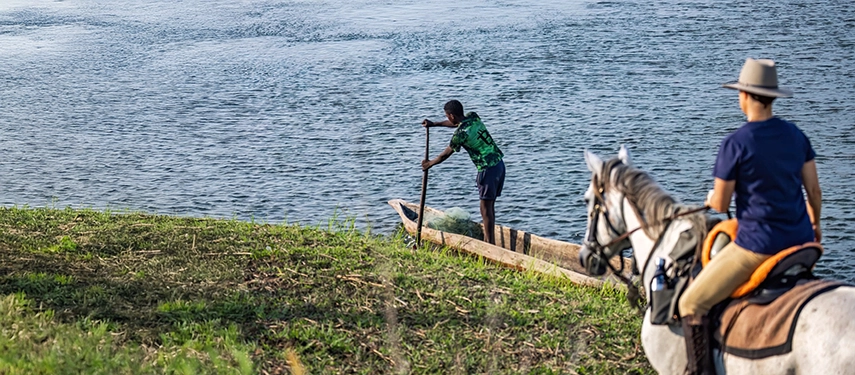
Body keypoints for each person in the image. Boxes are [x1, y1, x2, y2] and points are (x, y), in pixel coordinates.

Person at [677, 58, 823, 375]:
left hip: (757, 247)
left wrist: (710, 198)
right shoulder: (796, 136)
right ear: (771, 97)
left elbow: (720, 203)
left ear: (743, 96)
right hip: (800, 242)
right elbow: (814, 192)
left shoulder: (736, 143)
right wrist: (815, 225)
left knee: (690, 303)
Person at [421, 100, 506, 245]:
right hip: (499, 165)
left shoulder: (459, 135)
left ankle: (489, 244)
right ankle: (489, 239)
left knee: (485, 209)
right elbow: (456, 124)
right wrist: (434, 124)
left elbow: (445, 155)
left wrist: (430, 164)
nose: (447, 119)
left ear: (452, 116)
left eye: (447, 116)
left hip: (486, 169)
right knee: (490, 206)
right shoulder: (473, 117)